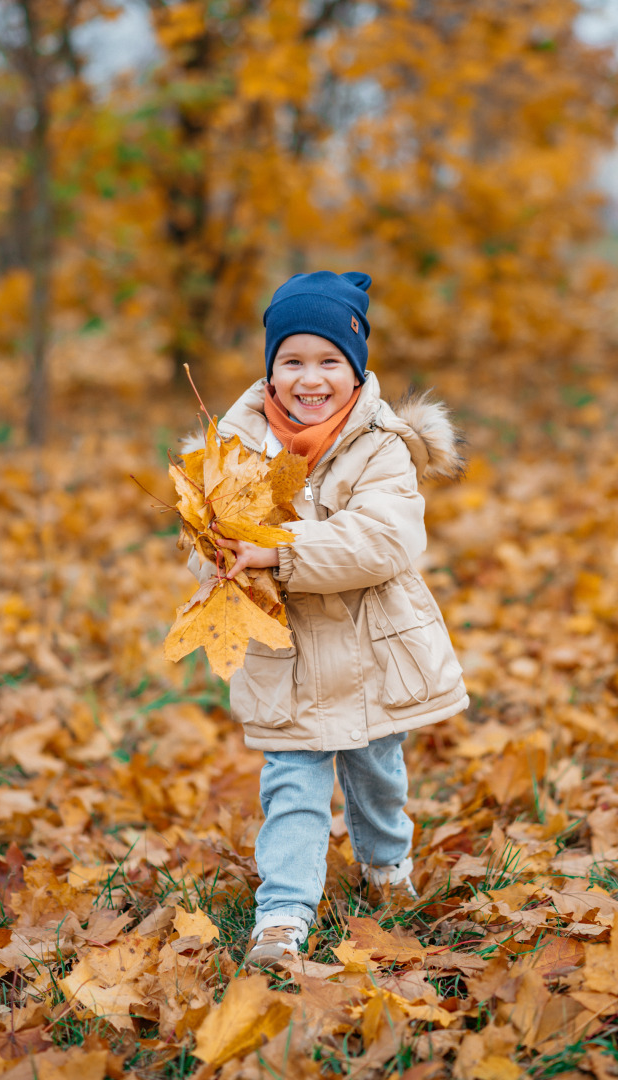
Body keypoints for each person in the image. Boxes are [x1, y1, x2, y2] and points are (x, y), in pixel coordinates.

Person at [194, 270, 468, 969]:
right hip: (285, 659)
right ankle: (282, 916)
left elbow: (386, 540)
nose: (309, 379)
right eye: (291, 361)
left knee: (378, 774)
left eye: (328, 362)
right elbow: (204, 547)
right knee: (292, 782)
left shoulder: (382, 445)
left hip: (373, 649)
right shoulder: (232, 449)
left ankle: (386, 868)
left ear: (356, 370)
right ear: (269, 369)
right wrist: (218, 555)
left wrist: (277, 553)